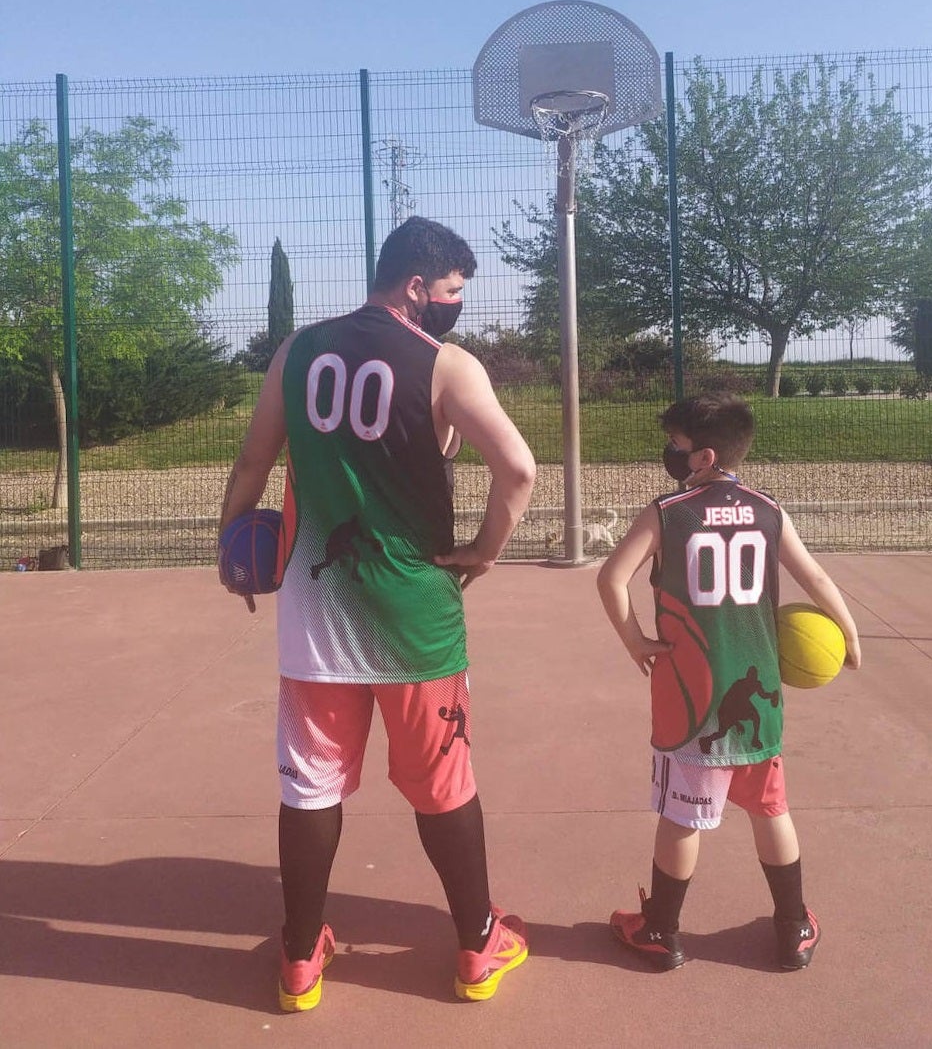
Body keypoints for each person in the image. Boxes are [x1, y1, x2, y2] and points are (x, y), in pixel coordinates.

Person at [219, 217, 536, 1010]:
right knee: (443, 781)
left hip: (314, 609)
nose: (457, 304)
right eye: (454, 290)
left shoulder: (295, 352)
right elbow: (521, 471)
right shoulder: (446, 364)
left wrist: (234, 546)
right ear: (416, 287)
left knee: (311, 787)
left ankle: (299, 960)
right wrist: (484, 550)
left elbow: (255, 458)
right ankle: (476, 945)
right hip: (413, 615)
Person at [596, 392, 861, 972]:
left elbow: (612, 578)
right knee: (771, 810)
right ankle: (793, 929)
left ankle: (662, 931)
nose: (669, 452)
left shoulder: (670, 510)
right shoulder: (768, 509)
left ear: (704, 456)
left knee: (682, 816)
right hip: (756, 689)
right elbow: (813, 573)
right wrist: (849, 633)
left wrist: (637, 641)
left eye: (678, 445)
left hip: (690, 699)